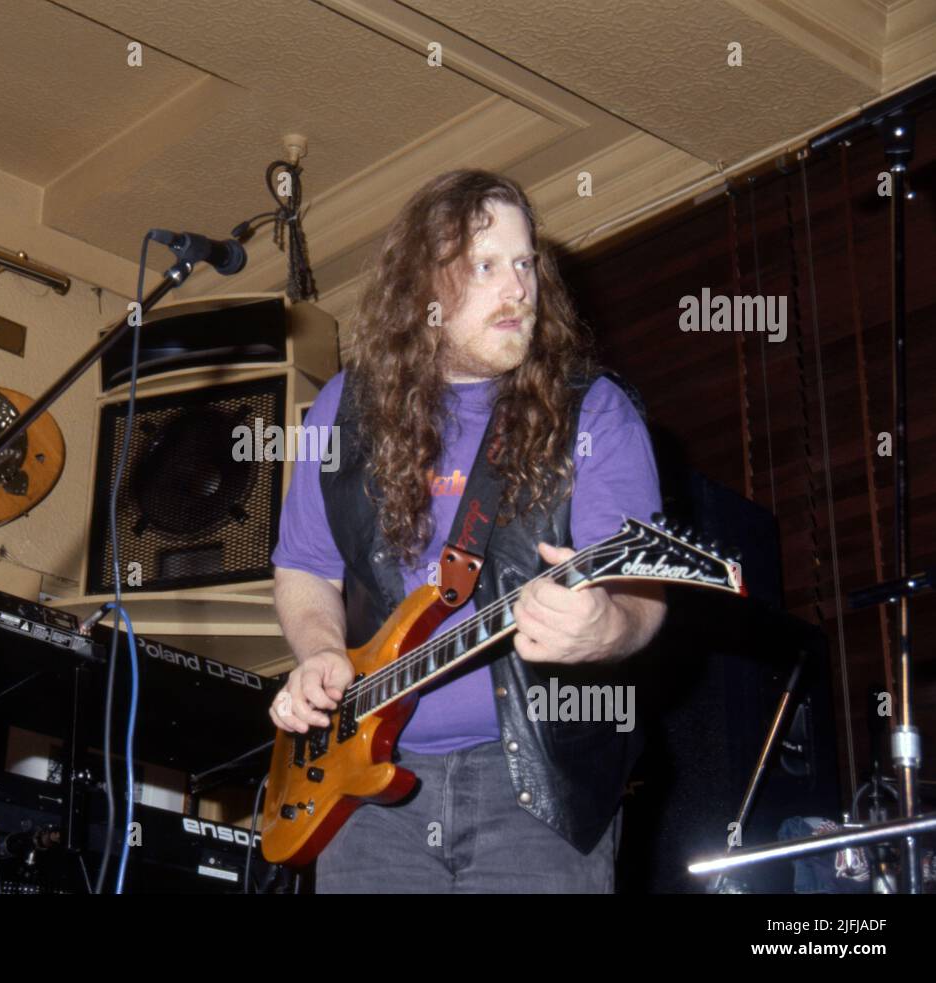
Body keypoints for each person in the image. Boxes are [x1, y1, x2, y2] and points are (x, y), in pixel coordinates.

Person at [268, 169, 667, 893]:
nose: (518, 287)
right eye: (486, 266)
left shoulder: (595, 415)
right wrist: (322, 654)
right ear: (421, 287)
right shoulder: (344, 409)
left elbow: (642, 596)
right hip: (363, 797)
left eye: (524, 264)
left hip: (535, 794)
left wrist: (605, 626)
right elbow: (304, 564)